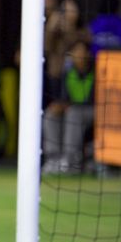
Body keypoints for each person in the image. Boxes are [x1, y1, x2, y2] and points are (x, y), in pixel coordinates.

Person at [43, 38, 95, 174]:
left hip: (93, 111)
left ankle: (71, 160)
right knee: (51, 113)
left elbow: (96, 100)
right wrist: (59, 105)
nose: (78, 55)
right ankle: (53, 158)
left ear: (88, 53)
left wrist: (68, 105)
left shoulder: (96, 71)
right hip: (72, 108)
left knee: (73, 113)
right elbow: (64, 97)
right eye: (75, 51)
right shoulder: (68, 73)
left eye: (81, 51)